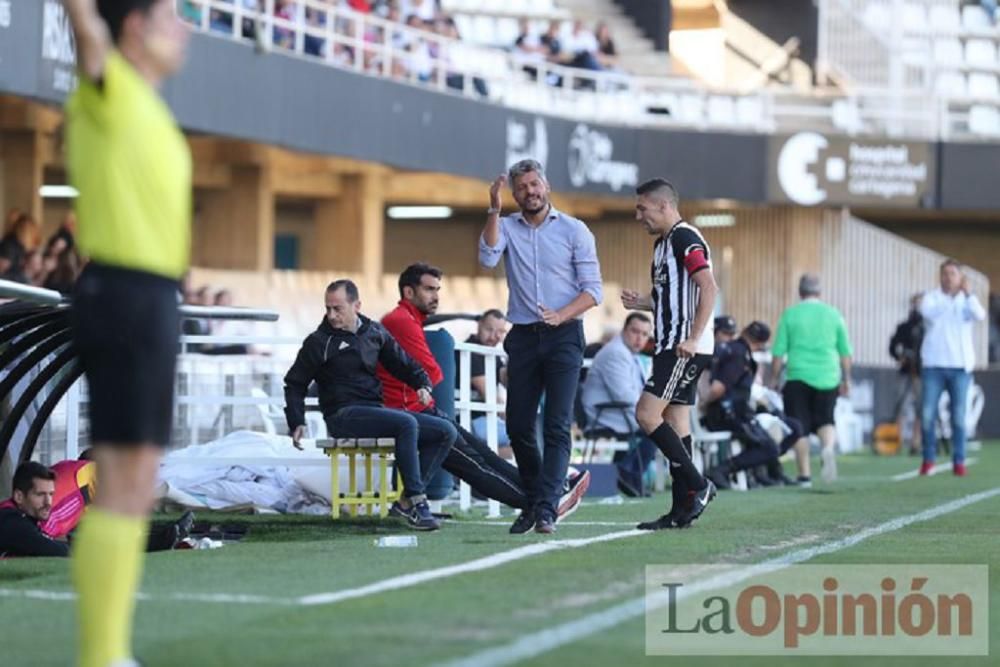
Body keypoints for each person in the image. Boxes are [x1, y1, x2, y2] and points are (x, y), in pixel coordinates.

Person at [63, 1, 191, 664]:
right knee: (123, 479)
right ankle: (103, 654)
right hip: (123, 291)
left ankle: (106, 650)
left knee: (135, 482)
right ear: (135, 29)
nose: (186, 28)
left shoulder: (146, 104)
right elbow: (88, 31)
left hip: (149, 296)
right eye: (172, 17)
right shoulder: (105, 81)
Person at [377, 264, 590, 518]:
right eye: (429, 289)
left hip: (422, 410)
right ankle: (542, 503)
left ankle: (547, 494)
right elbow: (434, 374)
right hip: (408, 412)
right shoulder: (400, 320)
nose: (436, 296)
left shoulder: (409, 320)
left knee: (486, 457)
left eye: (437, 290)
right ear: (408, 292)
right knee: (477, 467)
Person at [479, 159, 603, 534]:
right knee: (517, 424)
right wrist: (494, 211)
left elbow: (593, 290)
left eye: (535, 184)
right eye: (522, 188)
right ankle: (536, 498)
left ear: (545, 186)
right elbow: (486, 258)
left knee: (556, 424)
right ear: (514, 194)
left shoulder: (574, 230)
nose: (530, 192)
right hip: (522, 336)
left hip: (564, 334)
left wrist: (562, 315)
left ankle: (547, 507)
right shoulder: (507, 227)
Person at [284, 279, 456, 530]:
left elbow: (403, 363)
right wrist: (296, 420)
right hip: (342, 416)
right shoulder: (318, 342)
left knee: (445, 431)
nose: (331, 315)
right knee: (406, 422)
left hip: (373, 412)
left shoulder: (374, 332)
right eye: (328, 308)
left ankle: (404, 503)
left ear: (357, 306)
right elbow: (294, 383)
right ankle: (419, 504)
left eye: (337, 308)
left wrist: (422, 384)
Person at [622, 178, 718, 531]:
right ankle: (682, 509)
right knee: (677, 426)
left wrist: (693, 338)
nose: (638, 216)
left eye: (642, 208)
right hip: (670, 344)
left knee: (646, 415)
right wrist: (644, 302)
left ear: (664, 206)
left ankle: (699, 483)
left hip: (682, 347)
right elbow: (671, 294)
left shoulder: (684, 237)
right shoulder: (663, 245)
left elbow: (708, 287)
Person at [770, 274, 853, 483]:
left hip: (798, 375)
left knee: (800, 426)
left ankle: (804, 475)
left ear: (800, 291)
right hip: (828, 376)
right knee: (826, 419)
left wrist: (774, 378)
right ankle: (827, 449)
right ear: (819, 292)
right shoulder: (834, 314)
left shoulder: (790, 314)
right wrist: (847, 379)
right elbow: (845, 352)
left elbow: (778, 352)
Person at [702, 322, 803, 489]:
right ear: (761, 344)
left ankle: (766, 472)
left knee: (786, 429)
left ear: (743, 331)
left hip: (735, 412)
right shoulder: (738, 353)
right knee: (769, 448)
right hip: (726, 415)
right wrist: (704, 403)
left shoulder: (735, 350)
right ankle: (721, 470)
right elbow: (718, 388)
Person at [918, 260, 986, 476]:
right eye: (945, 274)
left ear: (960, 277)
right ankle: (929, 459)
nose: (949, 278)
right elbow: (930, 314)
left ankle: (959, 460)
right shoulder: (931, 299)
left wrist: (968, 295)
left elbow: (979, 315)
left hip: (959, 367)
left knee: (958, 417)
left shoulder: (967, 301)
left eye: (953, 274)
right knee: (927, 414)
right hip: (934, 366)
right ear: (940, 276)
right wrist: (952, 298)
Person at [580, 313, 658, 497]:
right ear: (624, 330)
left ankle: (627, 474)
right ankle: (628, 472)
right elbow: (625, 394)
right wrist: (652, 409)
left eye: (644, 334)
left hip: (618, 410)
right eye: (635, 331)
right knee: (658, 428)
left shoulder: (628, 353)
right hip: (604, 412)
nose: (639, 338)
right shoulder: (616, 353)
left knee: (658, 424)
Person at [458, 309, 511, 448]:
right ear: (479, 325)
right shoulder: (471, 351)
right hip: (470, 420)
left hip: (483, 420)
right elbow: (489, 395)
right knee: (521, 436)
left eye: (500, 331)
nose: (494, 336)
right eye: (489, 329)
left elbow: (510, 382)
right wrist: (514, 420)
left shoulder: (492, 355)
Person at [0, 462, 67, 557]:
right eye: (40, 495)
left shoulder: (26, 519)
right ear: (19, 497)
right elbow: (51, 550)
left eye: (51, 494)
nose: (48, 502)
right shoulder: (9, 521)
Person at [889, 293, 924, 455]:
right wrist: (900, 357)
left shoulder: (927, 327)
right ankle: (897, 441)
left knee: (920, 408)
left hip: (922, 373)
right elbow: (893, 346)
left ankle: (916, 442)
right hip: (904, 372)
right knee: (900, 406)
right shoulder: (903, 327)